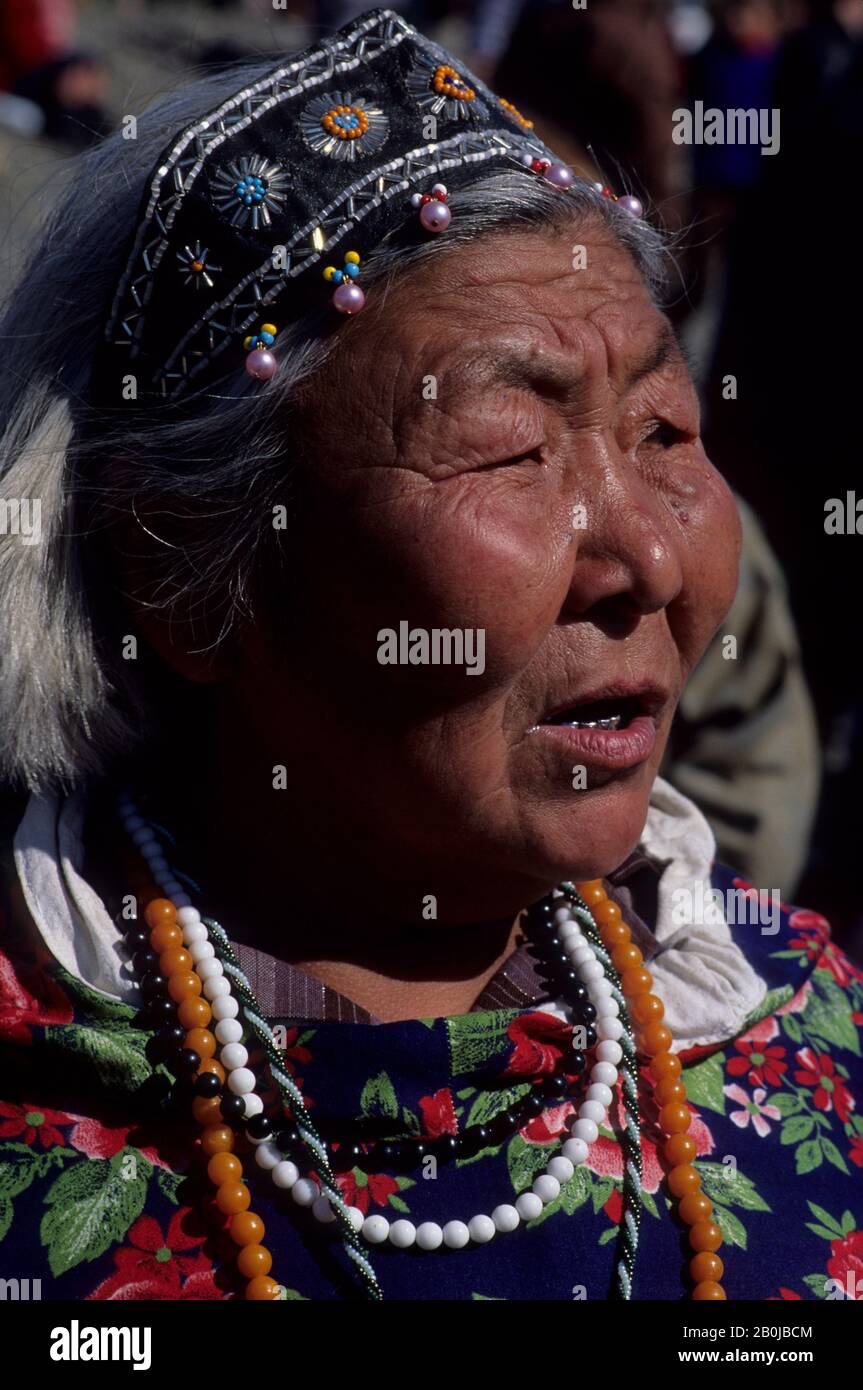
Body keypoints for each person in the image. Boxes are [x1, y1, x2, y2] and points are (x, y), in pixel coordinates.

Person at [0, 9, 860, 1303]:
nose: (650, 561)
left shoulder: (801, 1035)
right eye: (513, 450)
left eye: (665, 430)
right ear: (186, 572)